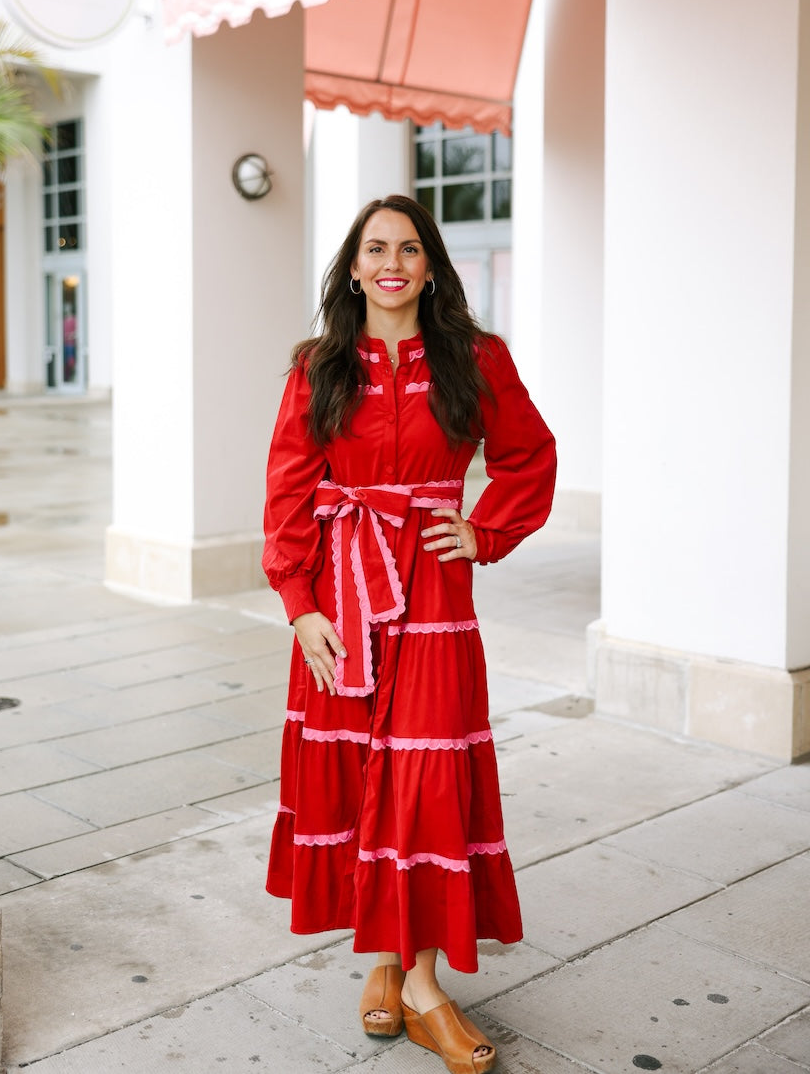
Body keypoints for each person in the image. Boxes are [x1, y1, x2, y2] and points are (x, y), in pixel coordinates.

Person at [263, 195, 556, 1074]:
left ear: (430, 266)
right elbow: (287, 487)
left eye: (411, 248)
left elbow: (529, 454)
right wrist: (300, 601)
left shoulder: (476, 357)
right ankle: (385, 958)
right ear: (354, 267)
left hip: (432, 590)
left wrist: (484, 528)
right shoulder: (317, 367)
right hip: (342, 598)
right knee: (361, 771)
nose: (392, 261)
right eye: (375, 247)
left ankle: (421, 984)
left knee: (423, 775)